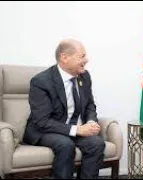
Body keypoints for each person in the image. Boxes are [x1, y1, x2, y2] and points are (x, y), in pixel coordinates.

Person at [23, 39, 105, 179]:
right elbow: (42, 121)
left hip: (72, 129)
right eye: (82, 56)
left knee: (97, 143)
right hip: (44, 130)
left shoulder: (84, 76)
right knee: (65, 144)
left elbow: (90, 104)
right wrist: (77, 130)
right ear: (64, 57)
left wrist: (91, 121)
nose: (86, 60)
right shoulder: (41, 81)